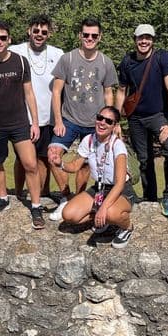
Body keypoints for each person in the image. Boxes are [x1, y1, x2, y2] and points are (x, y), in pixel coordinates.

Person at [0, 20, 45, 229]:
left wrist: (35, 123)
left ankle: (35, 205)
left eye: (2, 38)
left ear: (9, 40)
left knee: (30, 164)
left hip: (19, 122)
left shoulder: (21, 62)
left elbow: (29, 93)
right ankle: (3, 198)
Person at [47, 17, 118, 221]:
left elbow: (108, 93)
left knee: (86, 164)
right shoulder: (67, 59)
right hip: (69, 118)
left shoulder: (105, 62)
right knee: (52, 154)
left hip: (95, 123)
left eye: (93, 35)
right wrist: (58, 121)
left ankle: (79, 198)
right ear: (80, 35)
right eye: (86, 34)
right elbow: (57, 91)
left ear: (100, 37)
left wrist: (109, 122)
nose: (89, 38)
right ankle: (65, 196)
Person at [115, 24, 168, 217]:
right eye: (140, 38)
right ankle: (150, 197)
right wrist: (116, 121)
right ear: (134, 39)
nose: (144, 41)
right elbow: (121, 91)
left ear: (153, 40)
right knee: (144, 161)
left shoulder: (162, 57)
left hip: (158, 116)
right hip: (135, 118)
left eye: (148, 38)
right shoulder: (127, 61)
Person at [52, 106, 135, 248]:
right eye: (100, 118)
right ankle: (103, 219)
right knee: (69, 215)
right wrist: (60, 164)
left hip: (120, 190)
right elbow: (74, 166)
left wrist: (103, 209)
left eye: (108, 121)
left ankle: (127, 227)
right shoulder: (89, 140)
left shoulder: (117, 145)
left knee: (110, 212)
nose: (102, 123)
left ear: (114, 126)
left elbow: (120, 183)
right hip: (99, 188)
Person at [8, 14, 63, 201]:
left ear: (49, 34)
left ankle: (43, 193)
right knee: (22, 159)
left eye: (44, 32)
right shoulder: (15, 51)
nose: (39, 34)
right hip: (23, 116)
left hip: (48, 116)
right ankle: (17, 194)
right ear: (29, 30)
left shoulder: (58, 54)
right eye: (36, 30)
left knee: (43, 158)